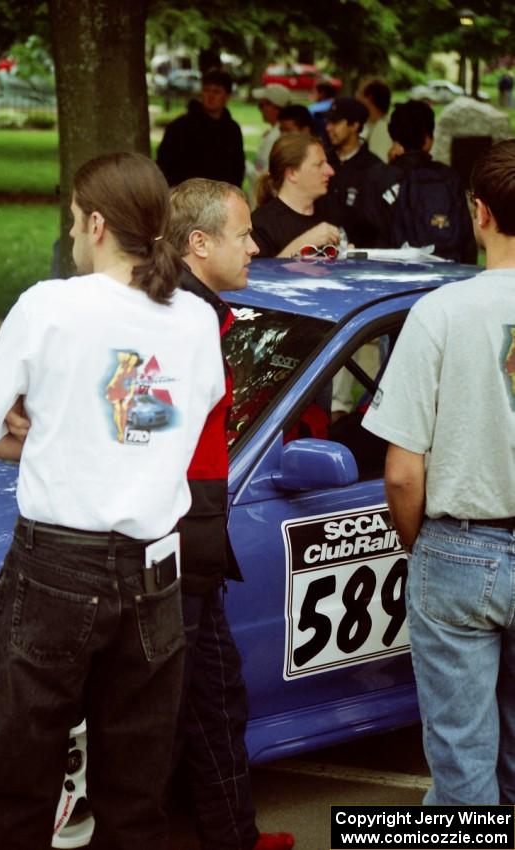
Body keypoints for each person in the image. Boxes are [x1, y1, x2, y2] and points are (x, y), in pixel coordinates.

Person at [0, 152, 225, 850]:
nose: (73, 236)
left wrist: (46, 427)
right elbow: (167, 431)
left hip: (57, 562)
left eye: (76, 222)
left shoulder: (50, 304)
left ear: (98, 223)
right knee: (136, 793)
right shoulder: (195, 320)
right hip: (155, 569)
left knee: (18, 777)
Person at [362, 139, 515, 804]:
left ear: (477, 213)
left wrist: (416, 541)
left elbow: (400, 471)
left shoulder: (439, 312)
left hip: (460, 544)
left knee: (461, 762)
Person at [168, 177, 295, 850]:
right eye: (243, 234)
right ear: (198, 243)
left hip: (199, 540)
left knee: (215, 698)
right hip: (175, 537)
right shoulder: (179, 321)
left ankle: (233, 836)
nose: (254, 245)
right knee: (164, 706)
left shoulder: (202, 313)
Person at [361, 99, 478, 262]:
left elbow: (365, 237)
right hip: (445, 275)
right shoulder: (449, 178)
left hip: (390, 275)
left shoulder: (375, 178)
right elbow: (467, 240)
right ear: (428, 139)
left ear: (394, 137)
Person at [251, 132, 341, 257]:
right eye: (319, 165)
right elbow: (259, 275)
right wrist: (304, 243)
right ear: (292, 173)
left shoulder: (329, 209)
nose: (330, 171)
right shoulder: (260, 224)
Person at [157, 68, 245, 188]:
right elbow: (164, 165)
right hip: (187, 196)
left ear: (227, 96)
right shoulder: (180, 127)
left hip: (222, 198)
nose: (211, 96)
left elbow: (237, 169)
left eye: (217, 92)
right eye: (207, 90)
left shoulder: (232, 130)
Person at [324, 97, 382, 247]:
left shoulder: (374, 168)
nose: (328, 128)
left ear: (355, 125)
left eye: (335, 123)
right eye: (328, 122)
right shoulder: (322, 161)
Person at [357, 78, 392, 163]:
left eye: (360, 94)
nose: (357, 97)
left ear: (369, 98)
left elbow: (380, 163)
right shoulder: (368, 126)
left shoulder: (383, 129)